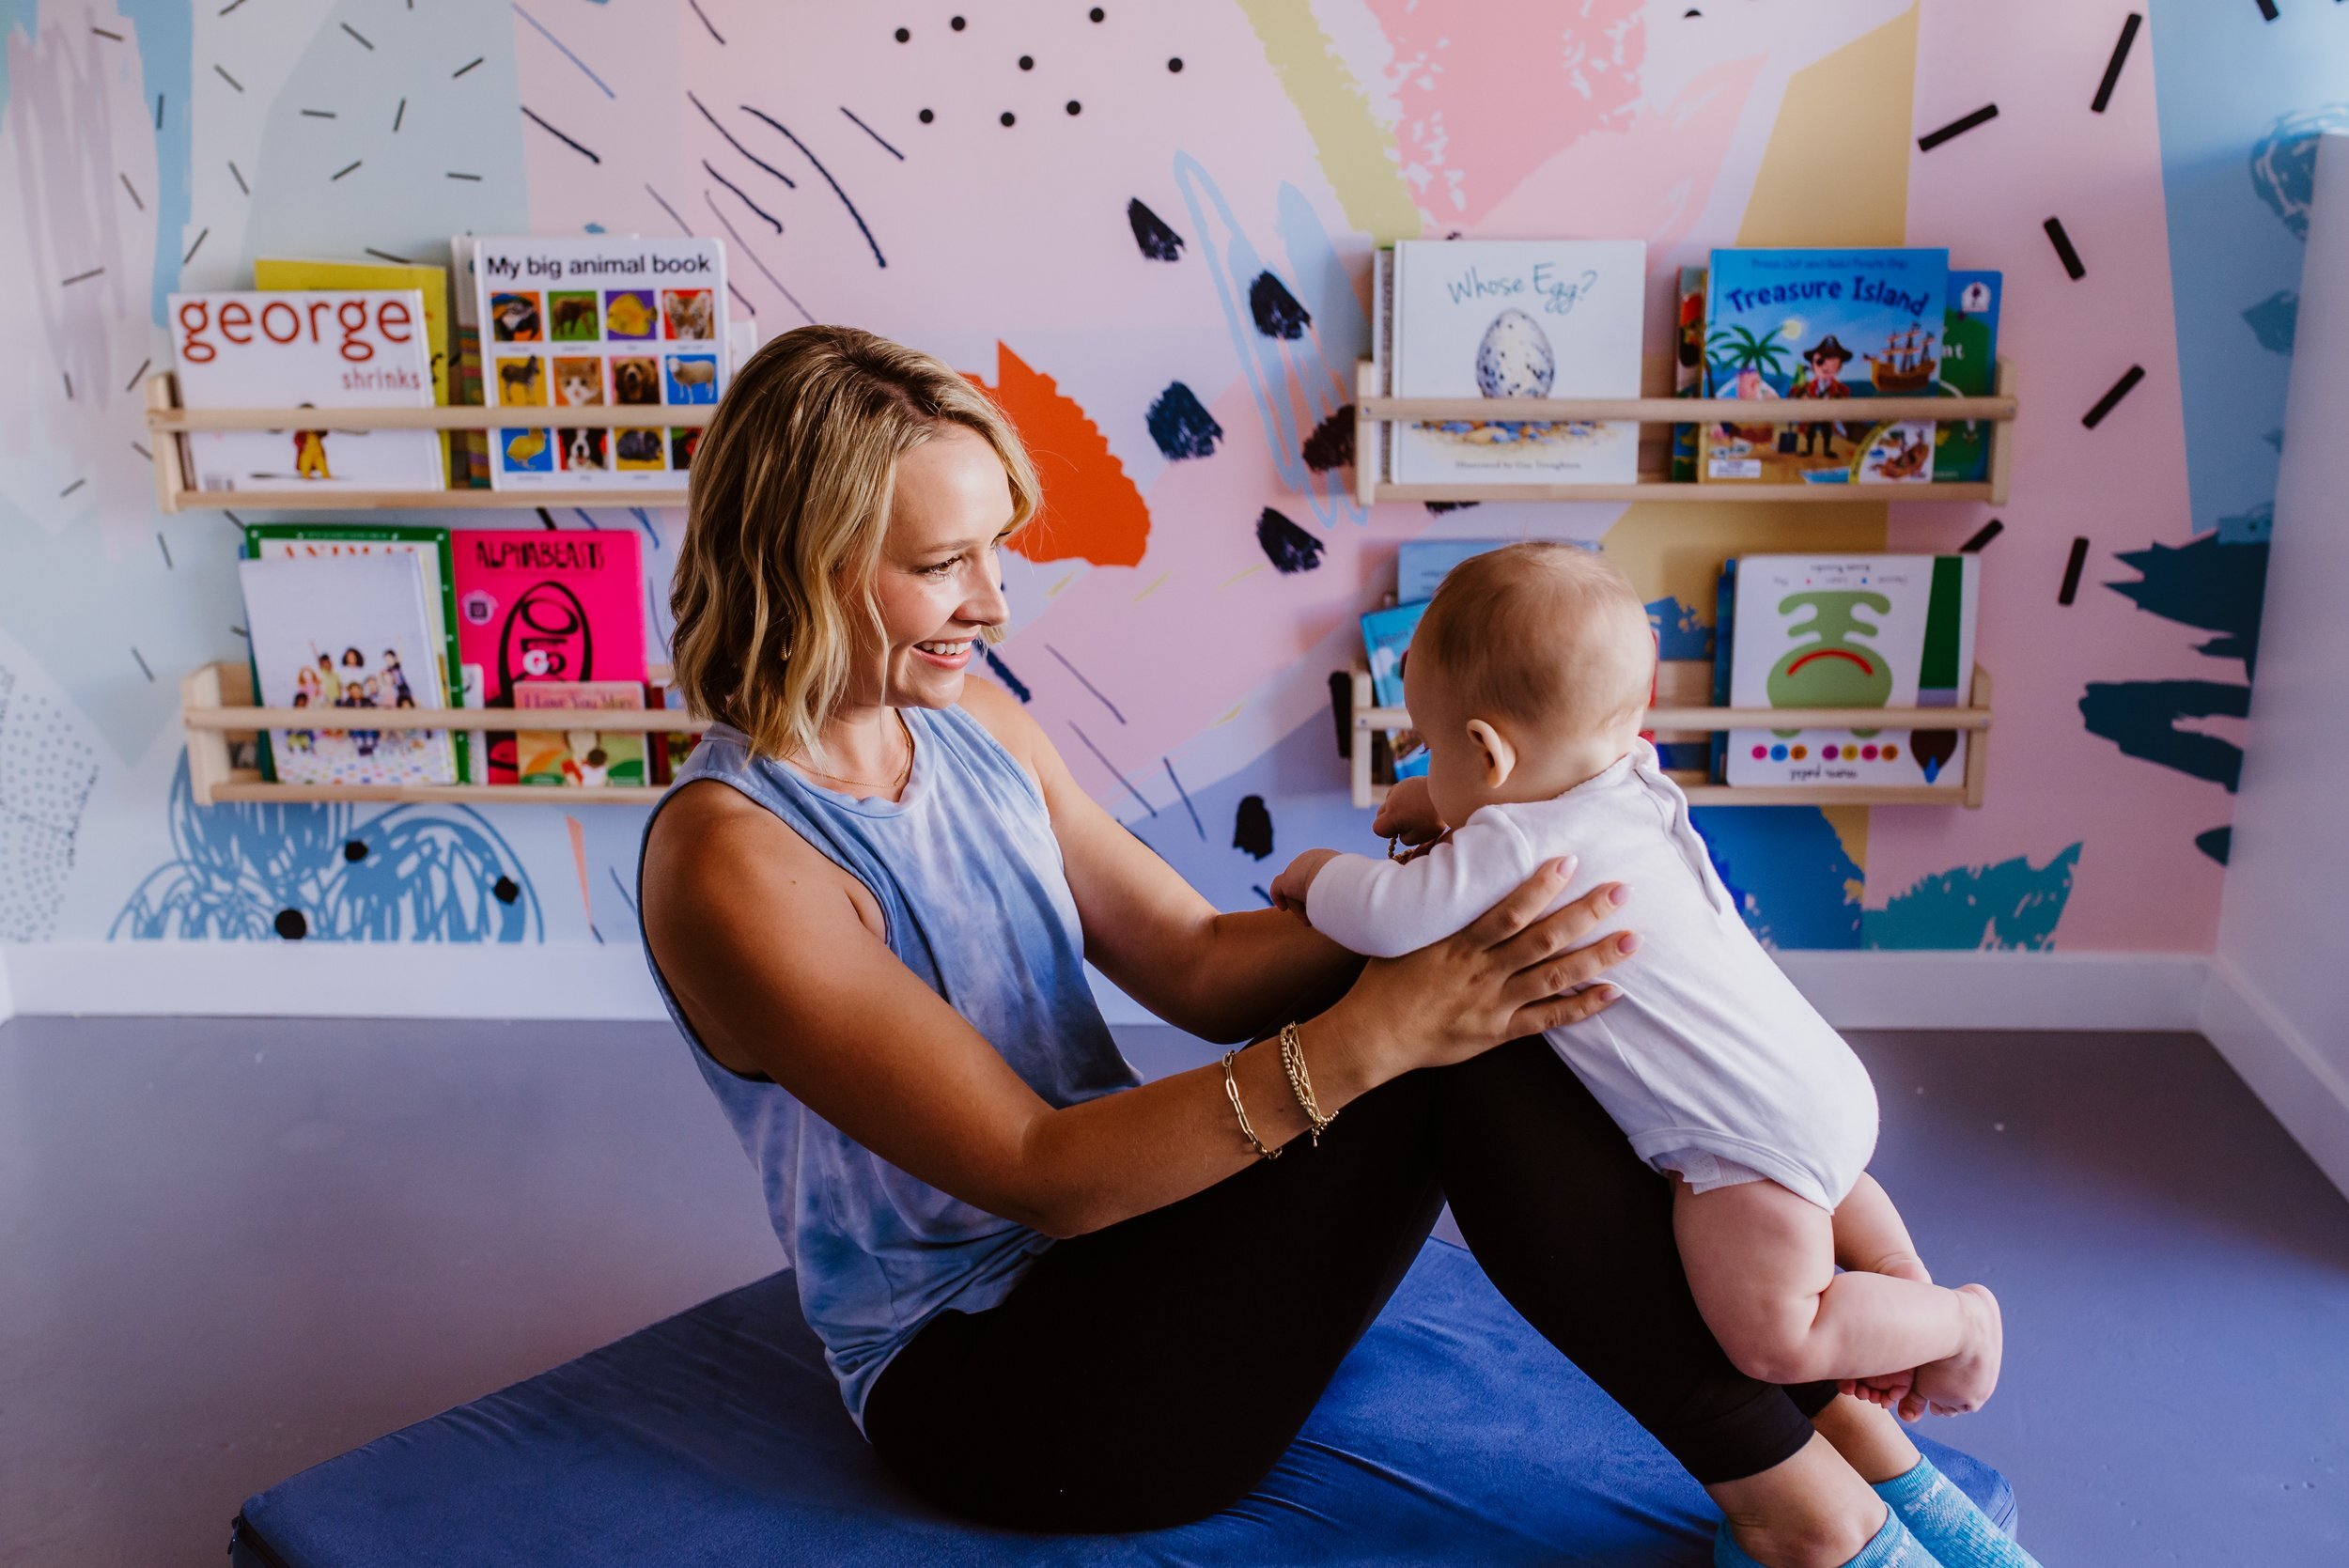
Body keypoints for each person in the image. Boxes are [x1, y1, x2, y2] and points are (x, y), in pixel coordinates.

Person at [637, 326, 1998, 1568]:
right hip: (1002, 1389)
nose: (993, 602)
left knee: (1504, 993)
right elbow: (1041, 1175)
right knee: (1454, 1038)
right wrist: (1384, 1029)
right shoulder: (731, 859)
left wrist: (1469, 884)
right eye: (942, 566)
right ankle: (1807, 1509)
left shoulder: (974, 727)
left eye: (998, 551)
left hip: (1141, 1259)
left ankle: (1843, 1440)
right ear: (797, 559)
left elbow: (1191, 958)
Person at [1269, 545, 2032, 1567]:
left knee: (1775, 1333)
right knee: (1834, 1220)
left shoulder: (1507, 844)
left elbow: (1392, 914)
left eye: (1429, 748)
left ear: (1489, 755)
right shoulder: (1631, 780)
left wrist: (1320, 872)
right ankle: (1895, 1309)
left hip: (1739, 1149)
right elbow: (1518, 811)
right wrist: (1442, 805)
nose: (1425, 771)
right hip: (1816, 1085)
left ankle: (1955, 1323)